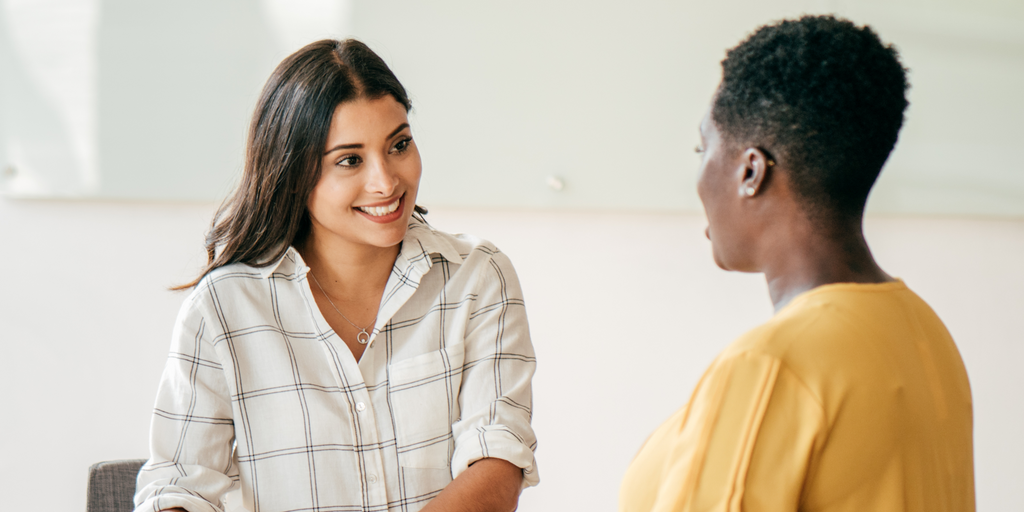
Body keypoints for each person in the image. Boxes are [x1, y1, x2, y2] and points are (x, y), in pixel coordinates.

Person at [134, 39, 538, 512]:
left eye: (399, 145)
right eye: (350, 160)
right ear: (292, 170)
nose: (386, 182)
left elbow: (497, 461)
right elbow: (178, 487)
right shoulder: (222, 309)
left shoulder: (477, 278)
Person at [619, 15, 974, 512]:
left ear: (750, 171)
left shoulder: (769, 363)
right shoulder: (926, 335)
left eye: (703, 147)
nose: (698, 175)